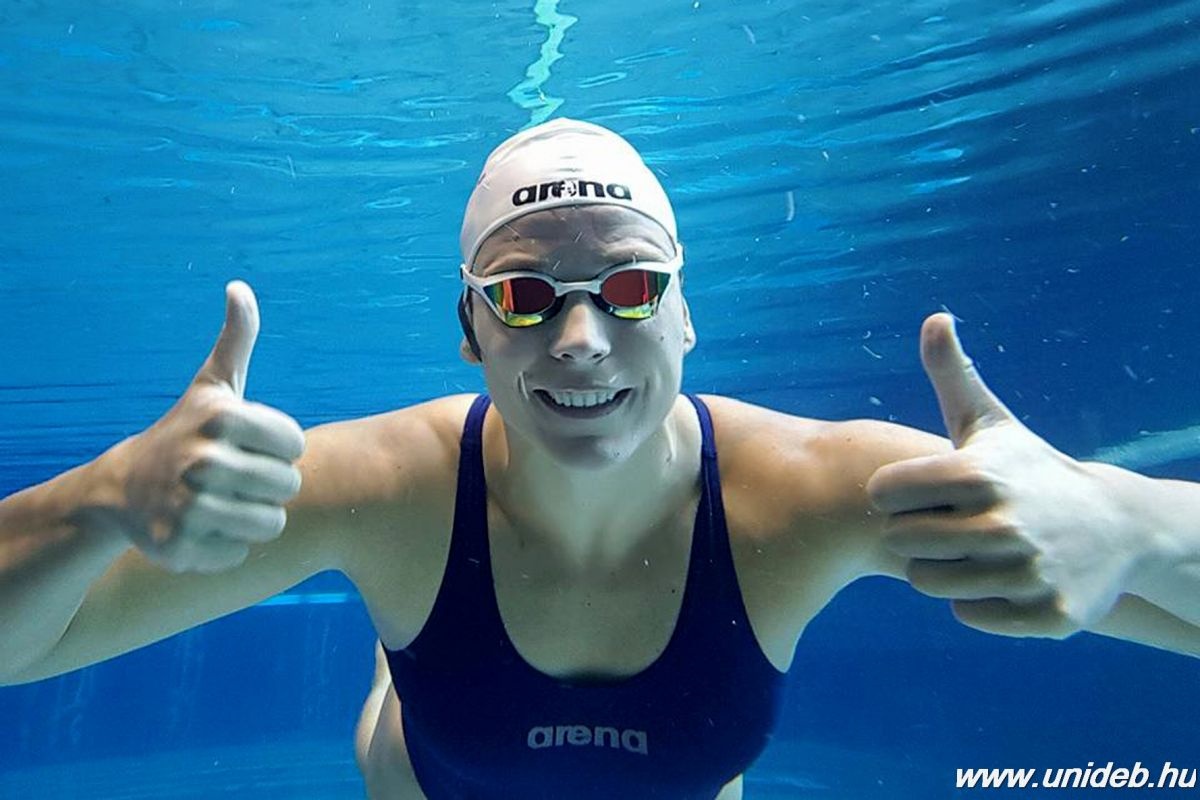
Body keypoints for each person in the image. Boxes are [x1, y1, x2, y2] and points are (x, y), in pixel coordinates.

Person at [0, 118, 1197, 800]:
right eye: (524, 296)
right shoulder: (382, 487)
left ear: (686, 314)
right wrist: (101, 497)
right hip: (431, 758)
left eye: (629, 286)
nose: (580, 339)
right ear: (469, 328)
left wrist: (1130, 524)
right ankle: (401, 655)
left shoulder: (811, 489)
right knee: (415, 697)